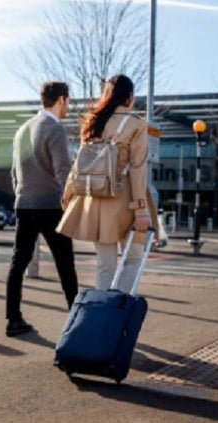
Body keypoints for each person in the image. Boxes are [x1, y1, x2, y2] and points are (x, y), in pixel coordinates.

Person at [57, 74, 158, 292]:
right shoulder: (136, 125)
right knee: (133, 258)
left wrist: (68, 196)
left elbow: (79, 164)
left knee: (104, 266)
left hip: (94, 201)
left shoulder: (93, 122)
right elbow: (138, 169)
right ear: (129, 97)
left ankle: (102, 316)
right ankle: (118, 308)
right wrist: (141, 211)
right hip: (124, 200)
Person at [5, 81, 79, 337]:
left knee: (19, 261)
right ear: (61, 100)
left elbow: (14, 172)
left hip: (24, 204)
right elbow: (63, 171)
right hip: (50, 205)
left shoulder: (22, 130)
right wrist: (71, 201)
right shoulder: (55, 129)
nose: (68, 106)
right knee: (65, 264)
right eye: (68, 101)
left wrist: (22, 195)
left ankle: (13, 319)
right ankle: (77, 321)